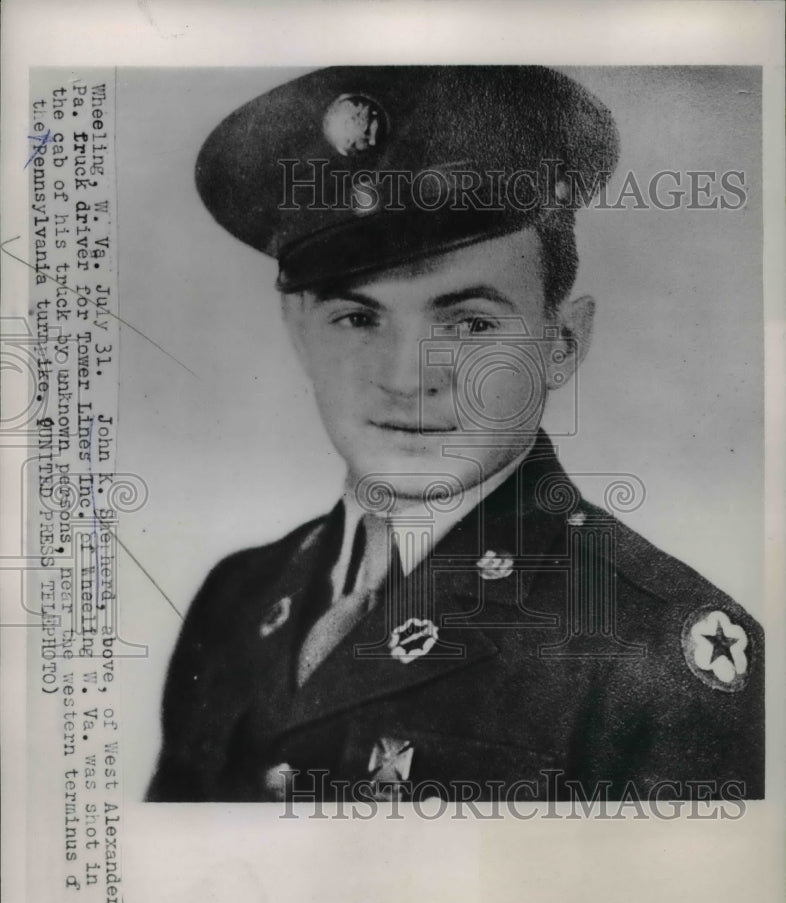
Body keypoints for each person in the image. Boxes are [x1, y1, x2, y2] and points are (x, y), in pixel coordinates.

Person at [147, 66, 764, 804]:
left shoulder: (653, 647)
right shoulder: (237, 597)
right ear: (299, 333)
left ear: (561, 341)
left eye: (468, 323)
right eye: (358, 318)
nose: (408, 377)